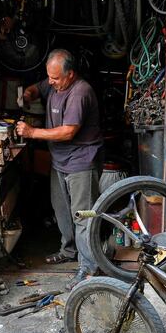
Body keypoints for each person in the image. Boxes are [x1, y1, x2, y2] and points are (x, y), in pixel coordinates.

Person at [17, 49, 104, 291]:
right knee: (63, 211)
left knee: (83, 217)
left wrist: (32, 132)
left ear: (70, 74)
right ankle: (69, 251)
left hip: (81, 162)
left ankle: (89, 269)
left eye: (55, 78)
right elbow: (38, 87)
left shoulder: (80, 92)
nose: (51, 82)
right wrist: (27, 94)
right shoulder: (55, 83)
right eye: (49, 77)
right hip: (60, 161)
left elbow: (68, 132)